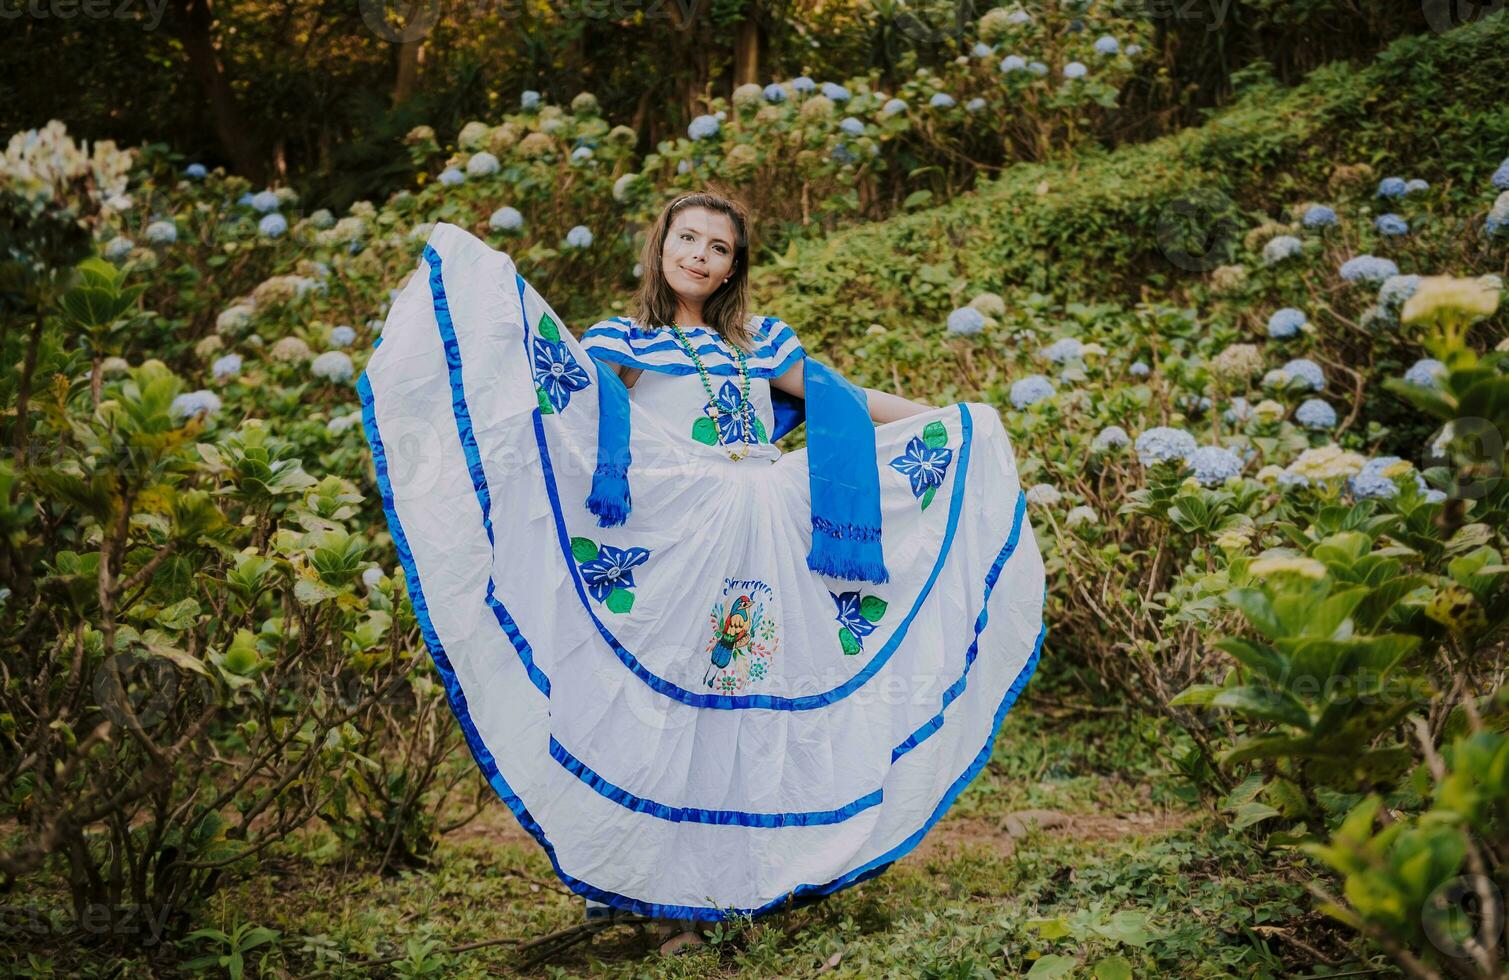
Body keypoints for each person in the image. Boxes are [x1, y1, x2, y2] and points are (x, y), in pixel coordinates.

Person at [358, 190, 1046, 957]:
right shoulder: (621, 341)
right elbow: (566, 413)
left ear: (730, 268)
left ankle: (731, 886)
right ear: (659, 246)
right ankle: (653, 888)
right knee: (667, 705)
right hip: (677, 545)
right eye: (687, 238)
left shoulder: (760, 343)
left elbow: (841, 400)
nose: (699, 255)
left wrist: (952, 419)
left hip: (765, 541)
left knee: (739, 703)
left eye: (718, 248)